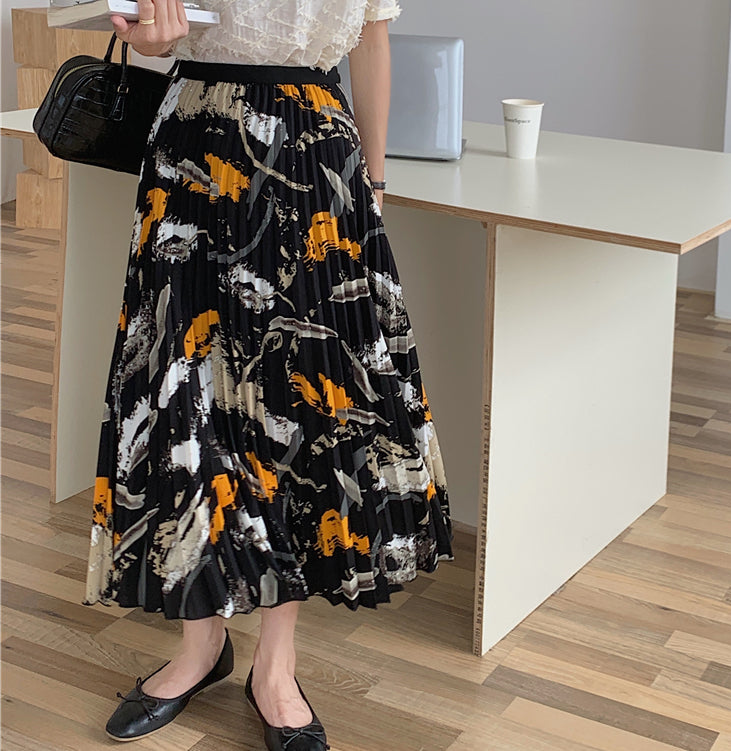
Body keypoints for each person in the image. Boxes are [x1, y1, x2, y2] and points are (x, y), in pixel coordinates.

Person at [82, 0, 455, 748]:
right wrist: (149, 37)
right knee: (183, 395)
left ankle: (275, 668)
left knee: (294, 407)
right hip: (192, 149)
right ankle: (200, 645)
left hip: (312, 154)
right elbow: (151, 24)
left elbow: (371, 40)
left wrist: (374, 182)